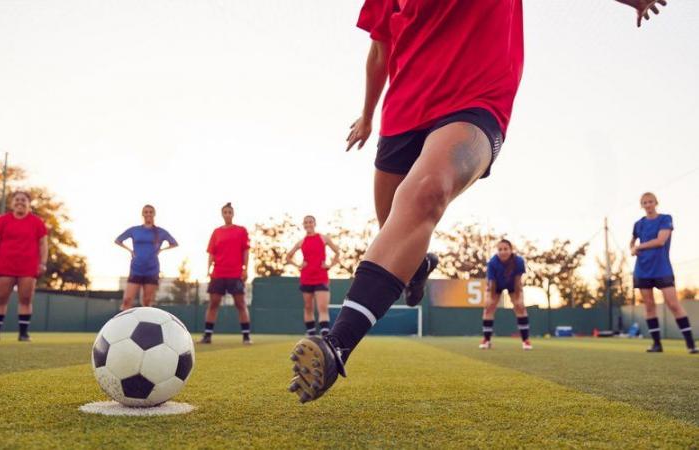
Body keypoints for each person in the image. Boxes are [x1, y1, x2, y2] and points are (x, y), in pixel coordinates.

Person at [288, 0, 670, 403]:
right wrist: (367, 115)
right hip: (402, 113)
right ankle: (415, 266)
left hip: (475, 102)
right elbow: (380, 50)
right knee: (395, 229)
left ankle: (338, 344)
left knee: (426, 193)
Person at [630, 192, 697, 354]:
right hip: (642, 270)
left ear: (656, 203)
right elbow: (632, 241)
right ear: (642, 205)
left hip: (662, 268)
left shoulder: (665, 219)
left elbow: (660, 241)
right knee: (649, 306)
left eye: (650, 202)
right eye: (644, 203)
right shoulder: (638, 224)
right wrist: (632, 248)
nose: (648, 205)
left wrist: (639, 246)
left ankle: (691, 345)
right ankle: (656, 345)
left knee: (674, 304)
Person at [0, 191, 48, 342]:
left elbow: (43, 244)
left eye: (23, 200)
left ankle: (23, 334)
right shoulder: (3, 220)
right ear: (12, 203)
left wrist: (42, 263)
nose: (20, 202)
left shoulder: (37, 222)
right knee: (1, 299)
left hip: (28, 267)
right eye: (17, 199)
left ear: (29, 203)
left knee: (25, 299)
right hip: (5, 265)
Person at [201, 203, 252, 345]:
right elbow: (211, 252)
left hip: (235, 274)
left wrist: (245, 269)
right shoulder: (216, 232)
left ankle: (246, 336)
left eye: (230, 212)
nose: (227, 214)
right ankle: (207, 336)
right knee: (213, 304)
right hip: (218, 273)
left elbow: (245, 251)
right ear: (222, 214)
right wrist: (208, 269)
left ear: (233, 214)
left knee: (240, 304)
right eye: (225, 212)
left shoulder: (241, 230)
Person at [286, 216, 340, 337]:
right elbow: (288, 257)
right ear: (303, 225)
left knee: (322, 307)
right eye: (306, 222)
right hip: (306, 278)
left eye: (310, 222)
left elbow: (337, 251)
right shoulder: (301, 242)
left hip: (321, 277)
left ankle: (325, 336)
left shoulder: (323, 238)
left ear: (314, 223)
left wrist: (330, 265)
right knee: (308, 306)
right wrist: (298, 265)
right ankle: (311, 335)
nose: (308, 224)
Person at [115, 205, 177, 310]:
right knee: (127, 300)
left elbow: (174, 243)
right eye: (146, 212)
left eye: (150, 212)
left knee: (147, 302)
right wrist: (130, 250)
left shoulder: (160, 232)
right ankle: (123, 325)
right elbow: (118, 240)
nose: (148, 214)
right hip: (136, 269)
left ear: (154, 214)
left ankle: (146, 325)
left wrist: (162, 250)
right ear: (142, 214)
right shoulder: (135, 230)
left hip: (152, 269)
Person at [480, 240, 531, 350]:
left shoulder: (518, 261)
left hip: (513, 285)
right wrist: (491, 299)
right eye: (500, 249)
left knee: (520, 306)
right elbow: (492, 283)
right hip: (496, 285)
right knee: (488, 308)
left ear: (511, 250)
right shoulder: (492, 263)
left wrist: (518, 299)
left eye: (505, 249)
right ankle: (486, 340)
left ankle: (525, 340)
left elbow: (517, 280)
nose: (503, 252)